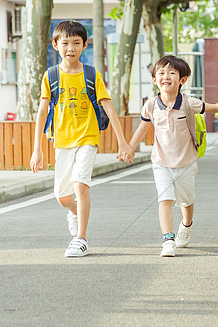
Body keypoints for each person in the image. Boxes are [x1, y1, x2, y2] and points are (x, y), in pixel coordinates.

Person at [30, 20, 132, 258]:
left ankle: (81, 239)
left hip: (88, 137)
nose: (71, 48)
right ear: (55, 45)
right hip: (62, 140)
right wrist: (38, 149)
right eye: (65, 43)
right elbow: (42, 112)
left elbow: (109, 108)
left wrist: (123, 142)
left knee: (80, 185)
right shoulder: (51, 75)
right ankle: (76, 212)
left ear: (84, 45)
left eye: (76, 43)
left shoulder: (91, 75)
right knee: (62, 196)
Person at [124, 55, 218, 257]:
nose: (166, 76)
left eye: (172, 73)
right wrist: (130, 147)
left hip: (186, 162)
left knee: (186, 201)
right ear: (155, 79)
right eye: (161, 73)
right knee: (164, 199)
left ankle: (187, 224)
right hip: (161, 163)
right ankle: (168, 239)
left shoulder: (188, 103)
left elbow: (212, 107)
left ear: (182, 80)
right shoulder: (150, 105)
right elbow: (142, 128)